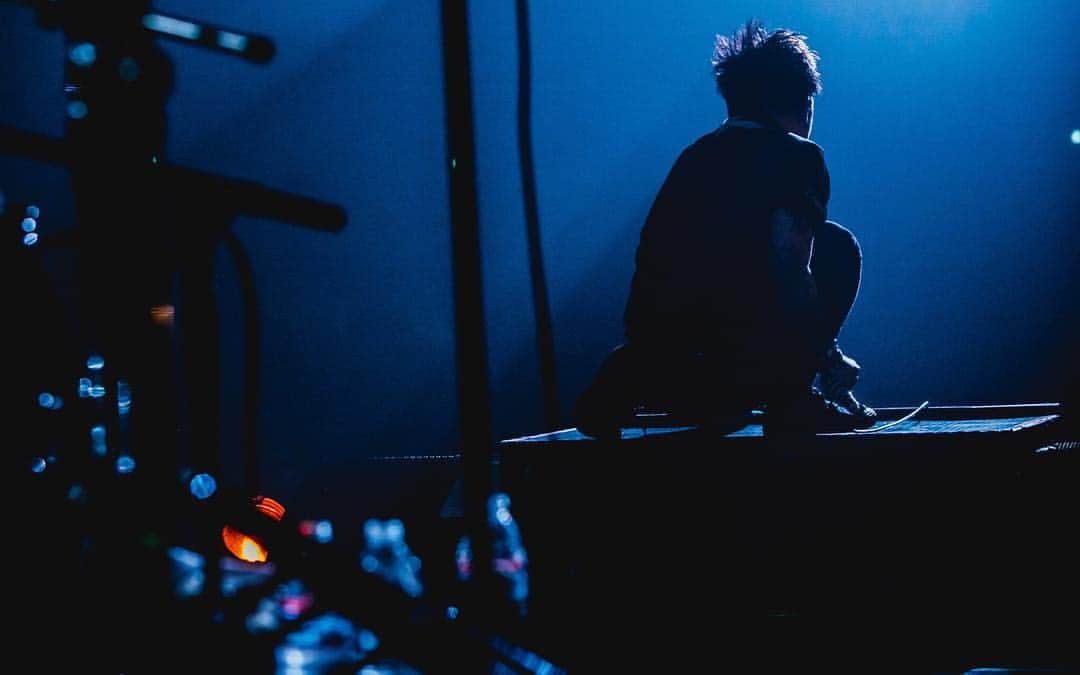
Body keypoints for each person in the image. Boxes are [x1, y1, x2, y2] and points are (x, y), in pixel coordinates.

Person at [575, 19, 876, 439]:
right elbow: (790, 267)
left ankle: (635, 372)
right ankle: (791, 399)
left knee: (723, 404)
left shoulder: (693, 158)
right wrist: (827, 358)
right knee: (837, 247)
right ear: (800, 100)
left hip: (670, 360)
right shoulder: (798, 157)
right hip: (739, 359)